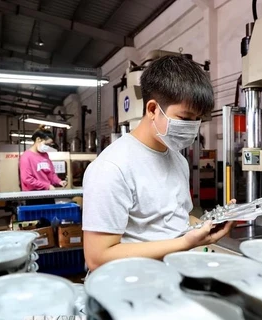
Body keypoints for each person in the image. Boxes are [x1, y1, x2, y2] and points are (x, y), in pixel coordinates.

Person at [82, 55, 235, 271]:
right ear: (152, 109)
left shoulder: (178, 160)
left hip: (171, 278)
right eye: (185, 118)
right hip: (130, 288)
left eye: (197, 119)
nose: (193, 127)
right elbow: (98, 258)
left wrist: (208, 224)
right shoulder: (112, 167)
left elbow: (176, 218)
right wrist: (184, 243)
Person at [19, 125, 67, 205]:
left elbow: (51, 173)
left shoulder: (45, 155)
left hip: (47, 195)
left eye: (49, 145)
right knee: (36, 217)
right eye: (46, 144)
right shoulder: (26, 157)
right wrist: (47, 186)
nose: (47, 147)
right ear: (38, 139)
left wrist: (59, 181)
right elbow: (27, 179)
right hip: (33, 197)